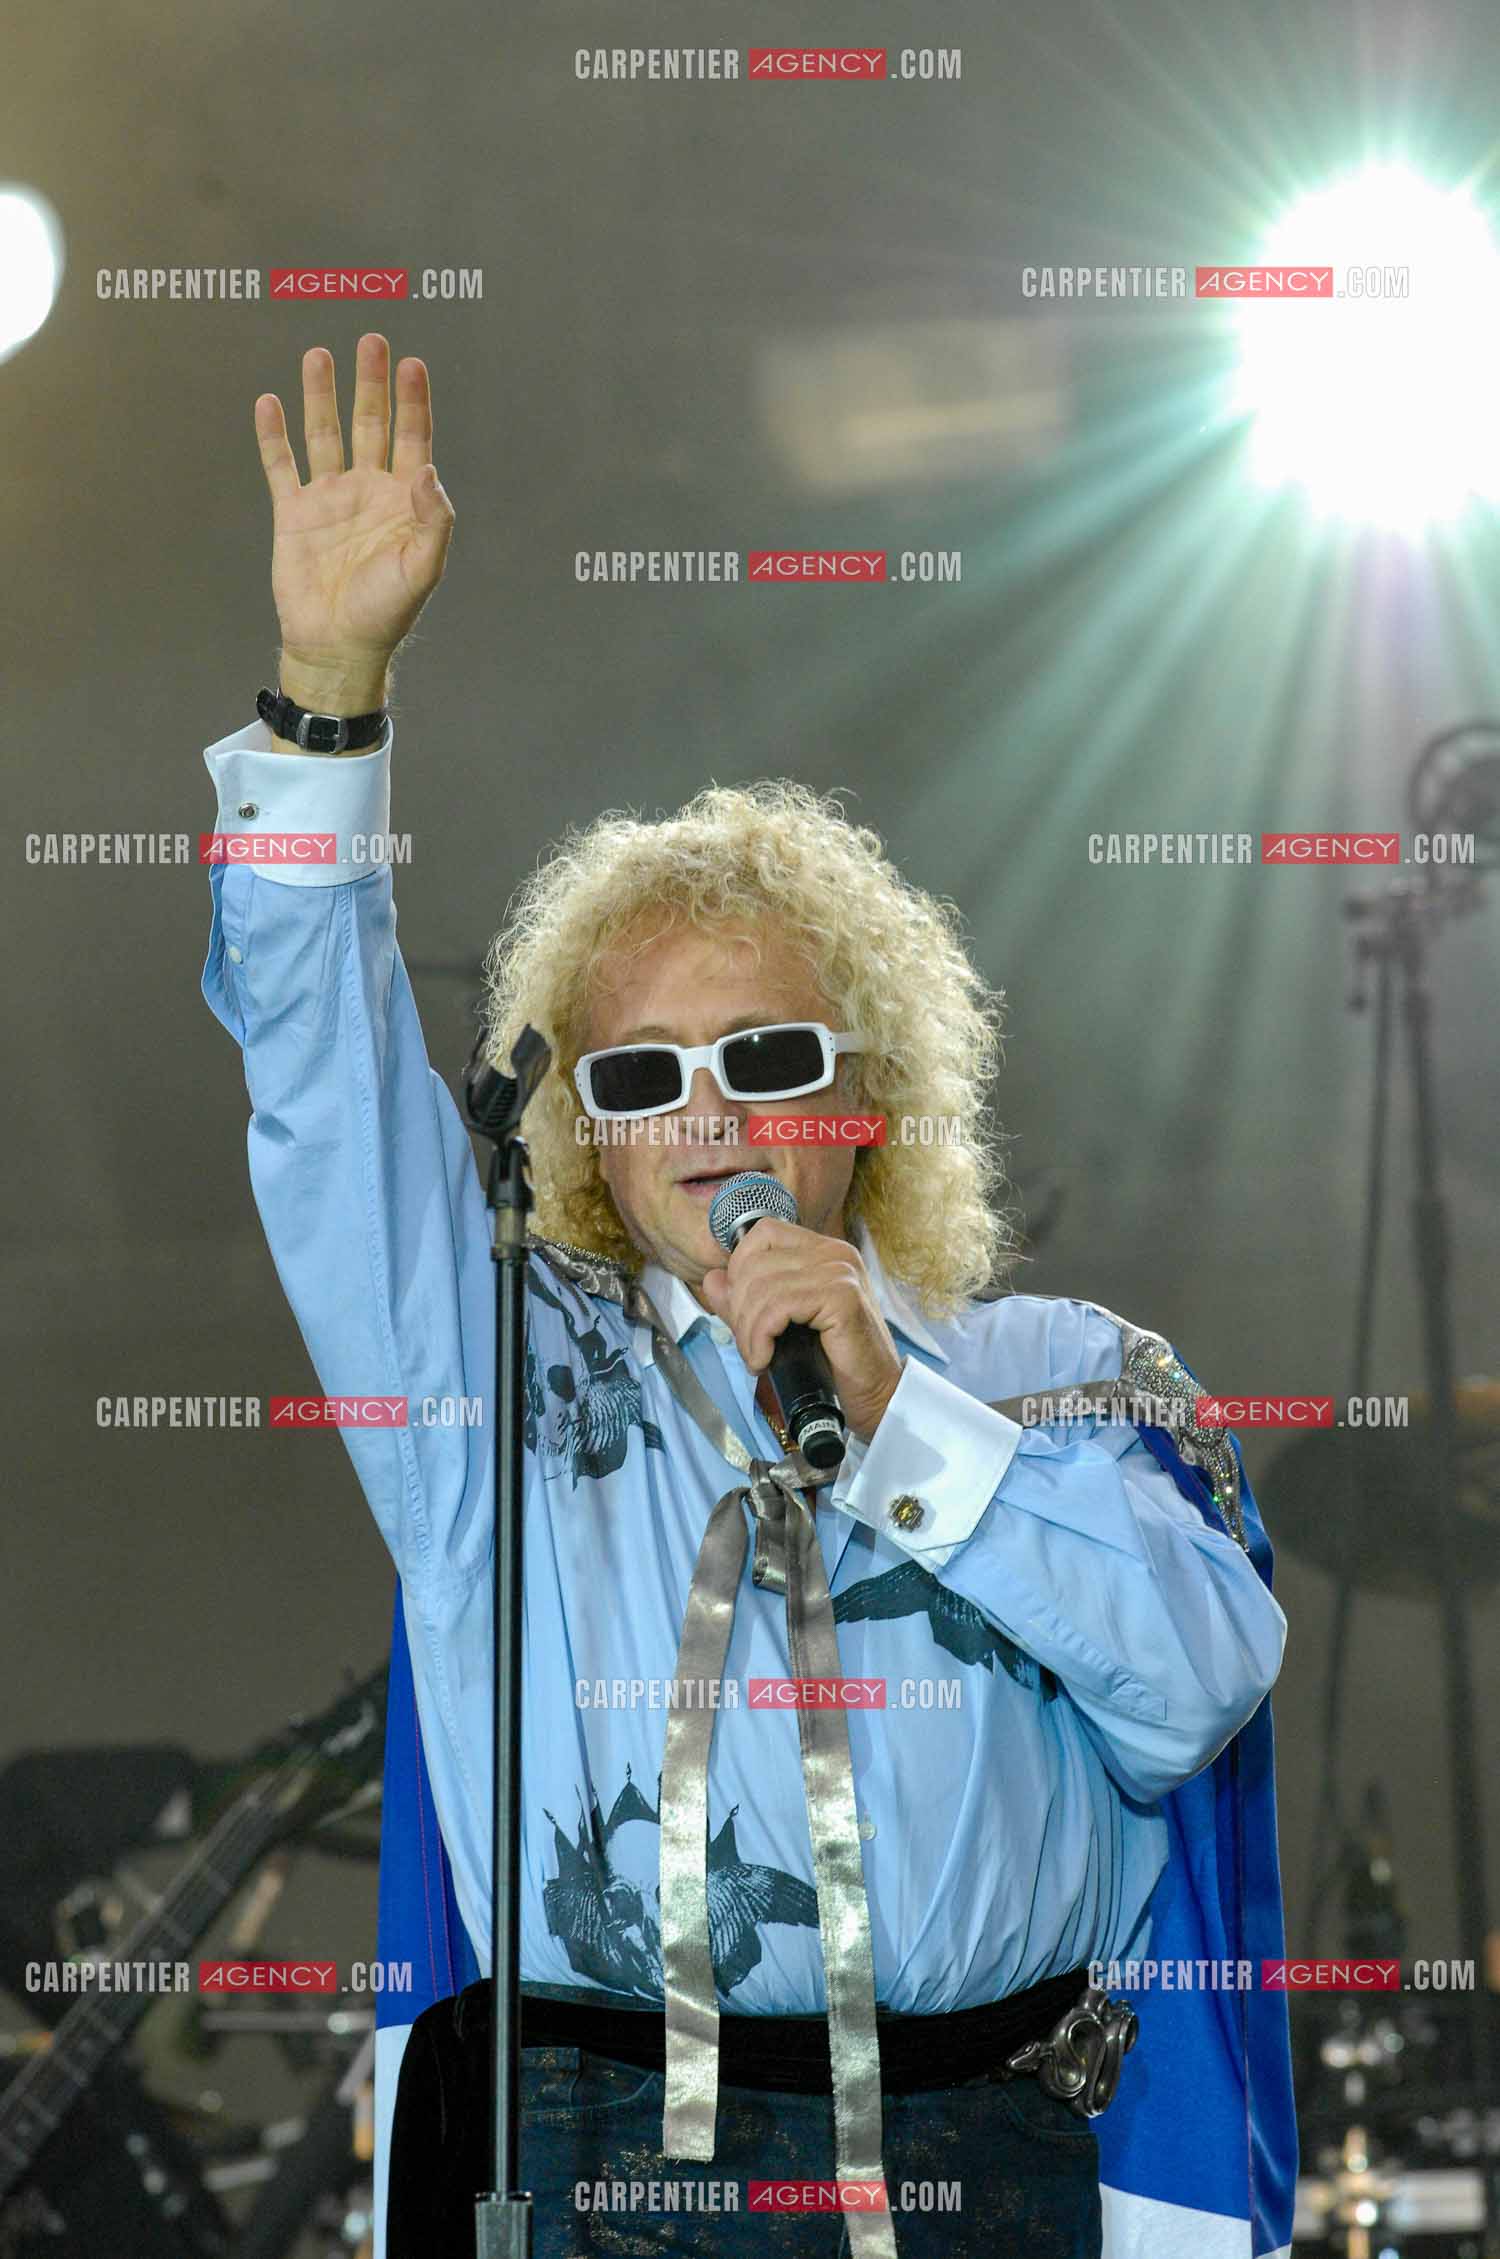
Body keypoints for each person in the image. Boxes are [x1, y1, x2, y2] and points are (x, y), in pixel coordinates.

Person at [200, 334, 1296, 2259]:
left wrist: (904, 1421)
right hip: (602, 2157)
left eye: (765, 1056)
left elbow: (1196, 1692)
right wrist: (331, 696)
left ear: (867, 1090)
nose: (704, 1112)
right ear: (589, 1148)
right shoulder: (501, 1389)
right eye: (637, 1079)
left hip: (998, 2160)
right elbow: (318, 1093)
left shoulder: (1068, 1379)